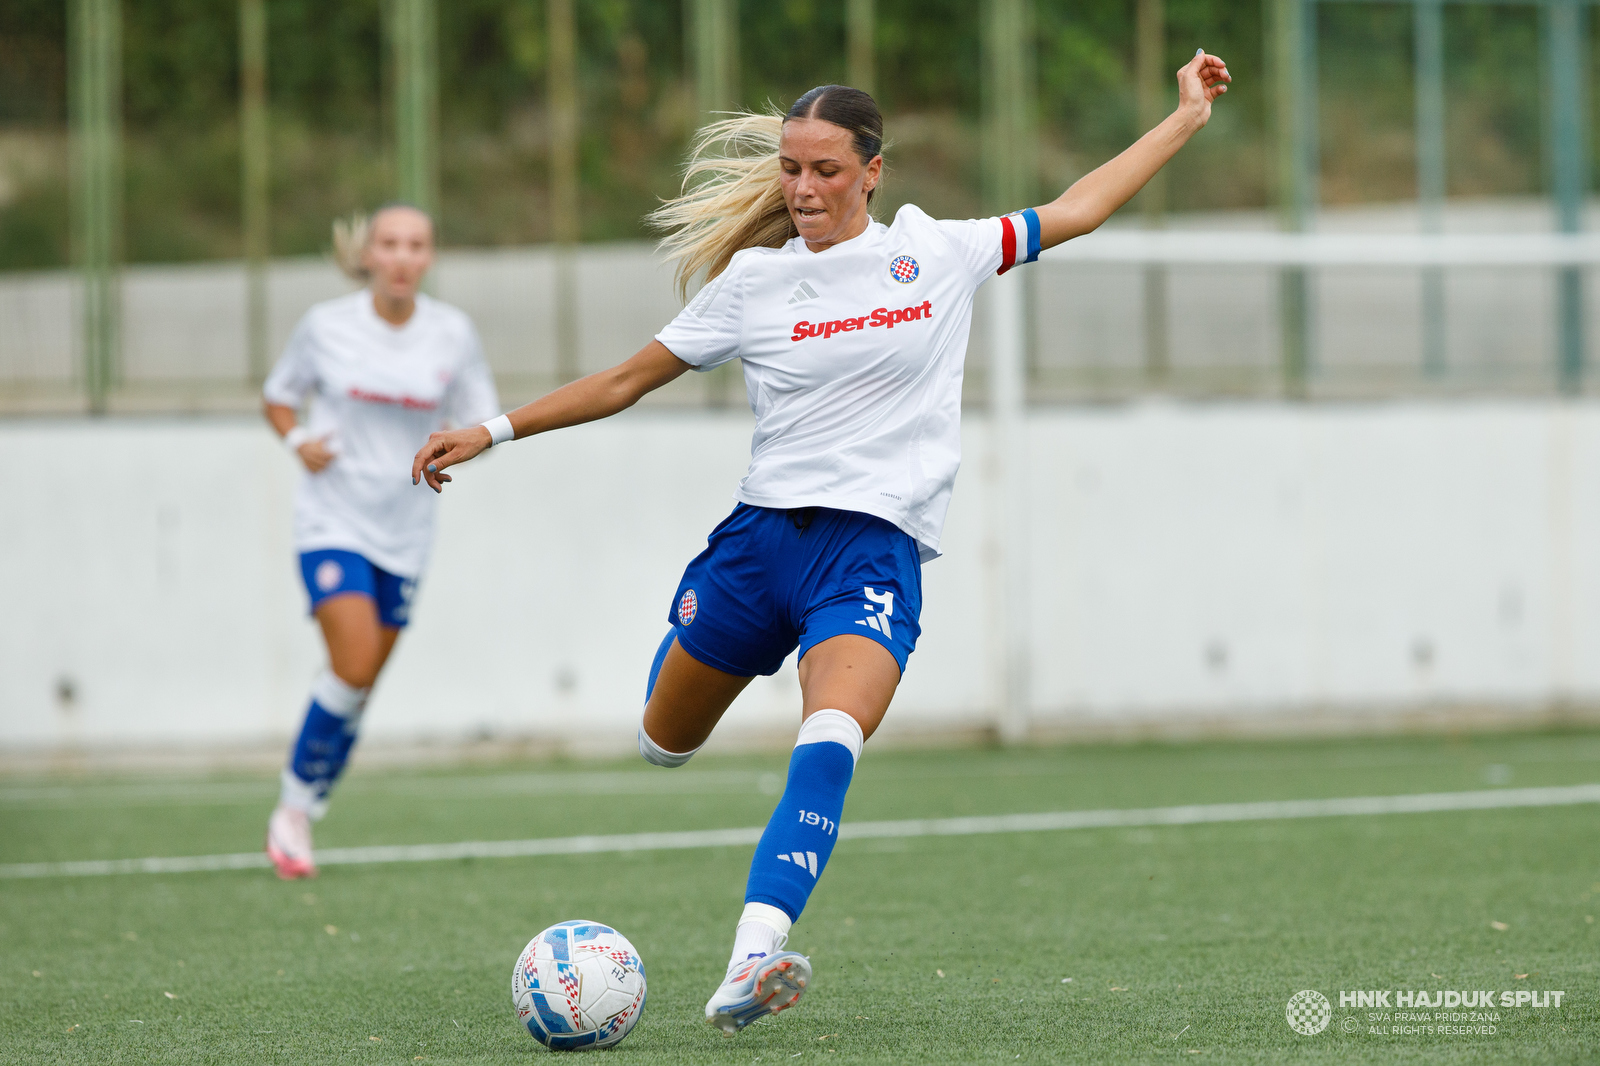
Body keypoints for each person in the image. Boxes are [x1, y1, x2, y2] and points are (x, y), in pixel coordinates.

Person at [412, 51, 1230, 1031]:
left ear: (872, 171)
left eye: (825, 171)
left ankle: (749, 960)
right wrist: (495, 430)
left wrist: (1182, 119)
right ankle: (691, 669)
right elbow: (626, 379)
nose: (802, 188)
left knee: (830, 736)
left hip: (869, 555)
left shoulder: (937, 252)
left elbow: (1080, 207)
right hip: (757, 551)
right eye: (791, 170)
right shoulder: (754, 283)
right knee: (663, 742)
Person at [262, 204, 500, 879]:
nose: (401, 256)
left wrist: (454, 451)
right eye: (389, 244)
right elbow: (278, 397)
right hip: (331, 522)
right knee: (357, 664)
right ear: (368, 255)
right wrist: (295, 439)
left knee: (357, 686)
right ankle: (292, 808)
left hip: (407, 530)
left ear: (429, 257)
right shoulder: (326, 327)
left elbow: (481, 422)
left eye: (415, 245)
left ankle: (308, 800)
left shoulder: (452, 334)